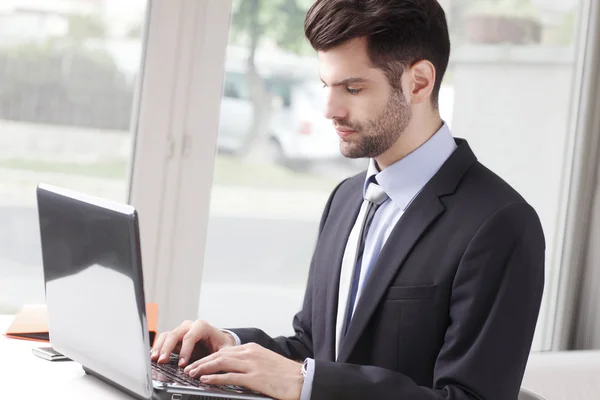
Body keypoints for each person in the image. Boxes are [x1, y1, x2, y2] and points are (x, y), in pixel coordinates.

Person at [151, 0, 545, 399]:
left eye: (353, 88)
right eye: (327, 86)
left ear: (419, 82)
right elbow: (315, 347)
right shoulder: (346, 198)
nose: (329, 110)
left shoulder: (499, 224)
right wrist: (230, 346)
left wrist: (306, 382)